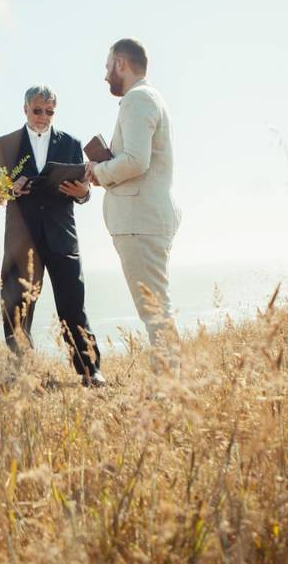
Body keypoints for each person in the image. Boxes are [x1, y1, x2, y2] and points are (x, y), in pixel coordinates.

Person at [0, 85, 106, 387]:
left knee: (72, 305)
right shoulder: (5, 143)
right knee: (16, 307)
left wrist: (83, 194)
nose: (43, 117)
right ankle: (21, 373)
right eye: (37, 110)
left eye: (49, 111)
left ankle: (90, 371)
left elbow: (84, 191)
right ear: (25, 109)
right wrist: (9, 188)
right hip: (20, 239)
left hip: (61, 236)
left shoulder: (71, 143)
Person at [85, 38, 180, 368]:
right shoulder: (145, 98)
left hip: (140, 221)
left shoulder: (137, 99)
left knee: (153, 309)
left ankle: (169, 386)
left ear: (121, 64)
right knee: (154, 306)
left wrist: (98, 171)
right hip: (144, 218)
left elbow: (137, 160)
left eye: (107, 66)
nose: (105, 75)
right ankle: (169, 384)